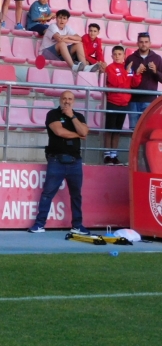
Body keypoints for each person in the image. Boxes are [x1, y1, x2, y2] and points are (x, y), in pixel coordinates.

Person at [28, 91, 89, 235]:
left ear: (74, 101)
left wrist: (72, 116)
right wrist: (78, 135)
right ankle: (39, 224)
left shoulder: (78, 116)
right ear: (60, 100)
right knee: (47, 193)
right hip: (56, 160)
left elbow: (84, 131)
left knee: (76, 195)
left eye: (70, 99)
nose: (67, 101)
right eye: (64, 99)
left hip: (75, 161)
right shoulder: (53, 114)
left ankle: (77, 225)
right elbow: (59, 132)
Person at [104, 46, 143, 164]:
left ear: (124, 56)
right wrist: (126, 73)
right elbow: (116, 83)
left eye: (119, 54)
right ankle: (107, 155)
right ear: (111, 56)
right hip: (113, 102)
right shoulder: (110, 68)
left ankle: (114, 155)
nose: (117, 56)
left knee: (117, 131)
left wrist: (137, 74)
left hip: (124, 103)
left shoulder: (127, 68)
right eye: (115, 54)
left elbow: (134, 84)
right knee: (109, 130)